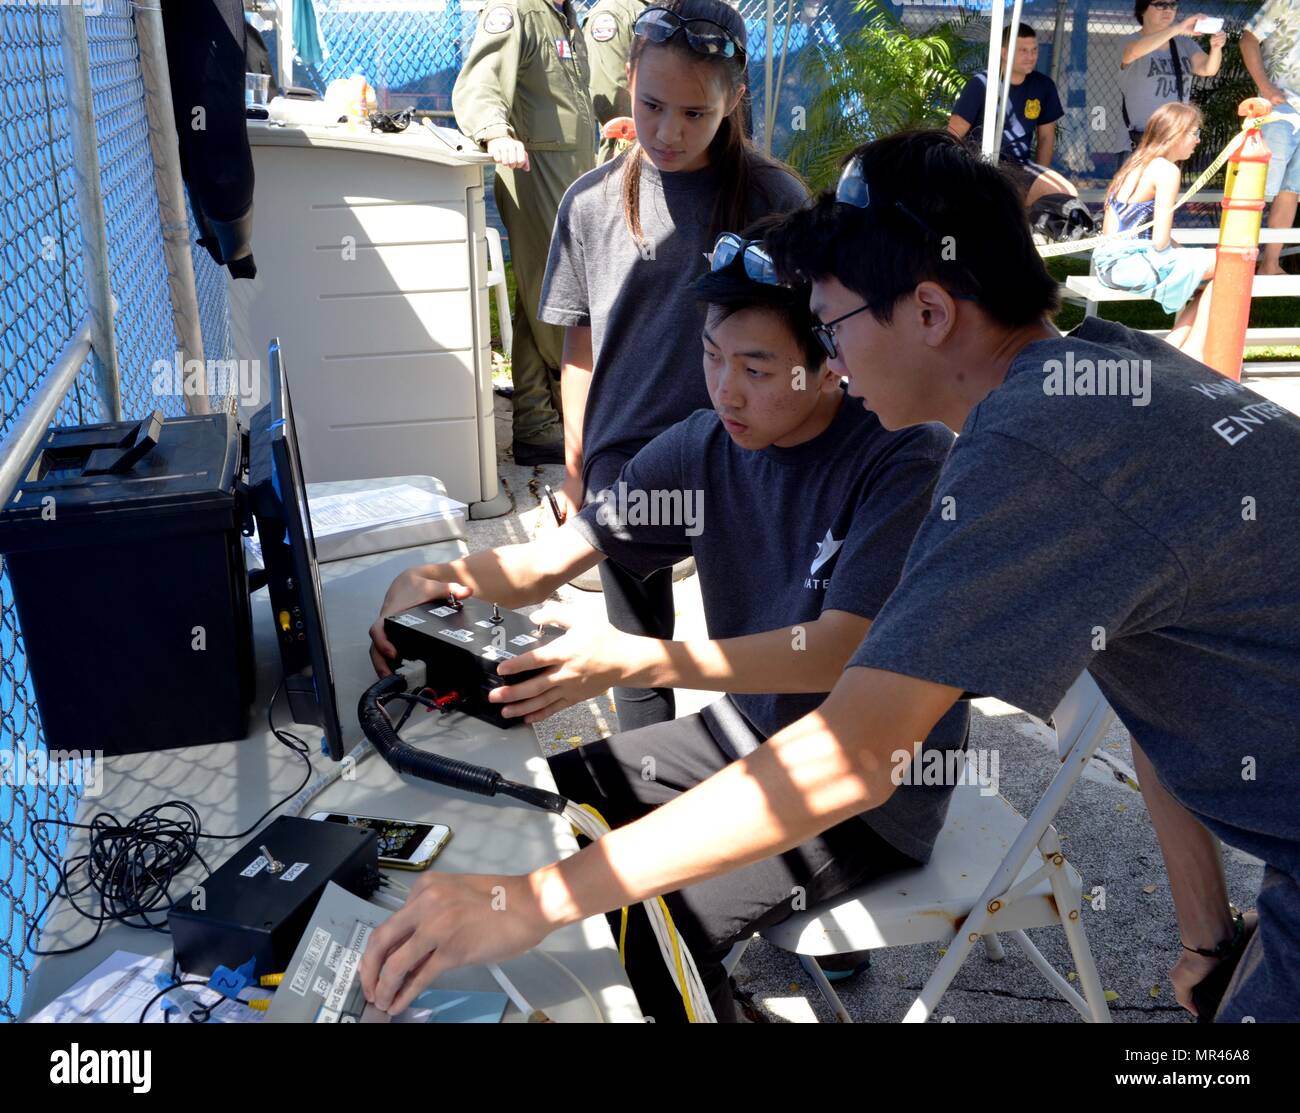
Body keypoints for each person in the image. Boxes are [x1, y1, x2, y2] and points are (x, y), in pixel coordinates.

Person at [359, 130, 1300, 1026]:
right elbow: (1155, 700)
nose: (833, 362)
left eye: (831, 325)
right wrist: (1207, 939)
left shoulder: (1025, 452)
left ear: (930, 312)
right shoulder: (1116, 369)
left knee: (608, 923)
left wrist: (536, 898)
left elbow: (854, 752)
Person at [366, 230, 968, 1021]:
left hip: (867, 795)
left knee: (643, 924)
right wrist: (443, 578)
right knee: (534, 805)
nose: (726, 390)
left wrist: (637, 660)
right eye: (713, 356)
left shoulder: (902, 455)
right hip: (741, 732)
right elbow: (557, 556)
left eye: (756, 369)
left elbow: (835, 651)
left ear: (831, 359)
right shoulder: (703, 447)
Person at [538, 0, 807, 734]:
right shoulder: (590, 203)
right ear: (628, 81)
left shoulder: (773, 202)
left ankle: (759, 798)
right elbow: (580, 347)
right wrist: (578, 462)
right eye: (651, 105)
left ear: (733, 102)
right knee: (633, 659)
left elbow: (812, 352)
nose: (667, 131)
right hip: (623, 466)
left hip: (742, 465)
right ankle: (644, 795)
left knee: (758, 653)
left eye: (694, 113)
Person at [452, 0, 598, 465]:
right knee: (561, 294)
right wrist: (495, 132)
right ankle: (572, 411)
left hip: (566, 168)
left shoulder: (562, 14)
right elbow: (482, 79)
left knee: (538, 295)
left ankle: (537, 424)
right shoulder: (516, 9)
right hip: (536, 168)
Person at [1093, 103, 1216, 361]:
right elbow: (1160, 242)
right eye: (1193, 133)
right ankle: (1189, 353)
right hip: (1128, 267)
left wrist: (1189, 256)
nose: (1197, 141)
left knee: (1211, 270)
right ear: (1175, 134)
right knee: (1226, 267)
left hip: (1108, 265)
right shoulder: (1166, 170)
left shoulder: (1135, 163)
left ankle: (1173, 350)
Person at [947, 21, 1075, 206]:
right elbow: (953, 133)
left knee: (1064, 193)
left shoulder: (1043, 86)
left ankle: (1029, 229)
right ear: (1005, 53)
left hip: (1019, 167)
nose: (1030, 56)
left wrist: (1040, 179)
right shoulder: (982, 83)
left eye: (1034, 50)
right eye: (1023, 50)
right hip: (979, 166)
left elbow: (1046, 138)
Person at [1241, 0, 1300, 276]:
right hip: (1280, 105)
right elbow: (1248, 39)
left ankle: (1270, 264)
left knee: (1291, 190)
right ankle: (1238, 263)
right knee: (1259, 188)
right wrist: (1265, 86)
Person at [1119, 2, 1226, 150]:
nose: (1168, 10)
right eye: (1160, 4)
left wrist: (1216, 48)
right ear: (1142, 10)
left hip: (1174, 138)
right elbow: (1133, 52)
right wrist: (1177, 29)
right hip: (1140, 141)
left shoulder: (1183, 43)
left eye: (1172, 5)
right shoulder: (1129, 41)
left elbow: (1207, 69)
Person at [583, 0, 651, 163]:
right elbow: (613, 98)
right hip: (629, 147)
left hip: (654, 141)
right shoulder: (612, 13)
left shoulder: (653, 9)